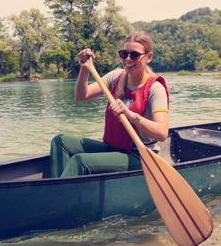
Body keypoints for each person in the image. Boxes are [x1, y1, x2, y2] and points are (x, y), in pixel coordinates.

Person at [49, 31, 170, 178]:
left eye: (134, 55)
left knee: (80, 161)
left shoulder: (155, 89)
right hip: (114, 147)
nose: (128, 59)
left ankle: (60, 196)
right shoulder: (116, 77)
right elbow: (82, 95)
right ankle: (60, 188)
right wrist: (85, 68)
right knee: (60, 141)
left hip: (139, 155)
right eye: (124, 54)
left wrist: (130, 115)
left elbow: (162, 133)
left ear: (149, 57)